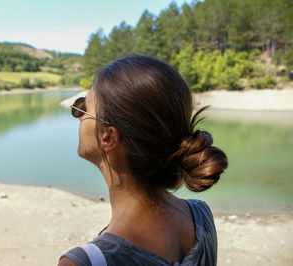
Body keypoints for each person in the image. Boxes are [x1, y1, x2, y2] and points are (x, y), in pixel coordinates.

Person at [59, 55, 228, 266]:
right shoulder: (200, 217)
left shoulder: (84, 263)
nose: (79, 117)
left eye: (83, 108)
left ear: (108, 137)